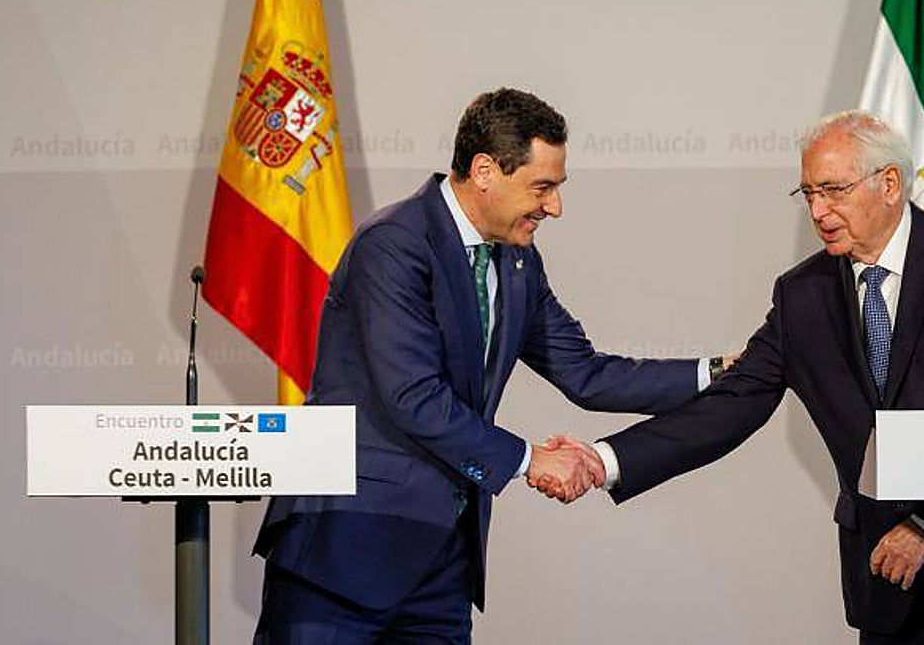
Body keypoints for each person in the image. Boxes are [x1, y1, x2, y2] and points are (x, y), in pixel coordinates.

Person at [543, 110, 924, 643]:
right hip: (888, 587)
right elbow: (730, 405)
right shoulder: (801, 294)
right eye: (808, 193)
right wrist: (604, 460)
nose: (817, 210)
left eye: (833, 190)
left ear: (888, 184)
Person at [253, 87, 731, 643]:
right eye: (542, 187)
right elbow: (413, 397)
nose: (555, 206)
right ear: (484, 171)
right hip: (345, 552)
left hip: (444, 565)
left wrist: (720, 372)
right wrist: (530, 461)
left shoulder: (519, 261)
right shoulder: (394, 245)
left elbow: (586, 372)